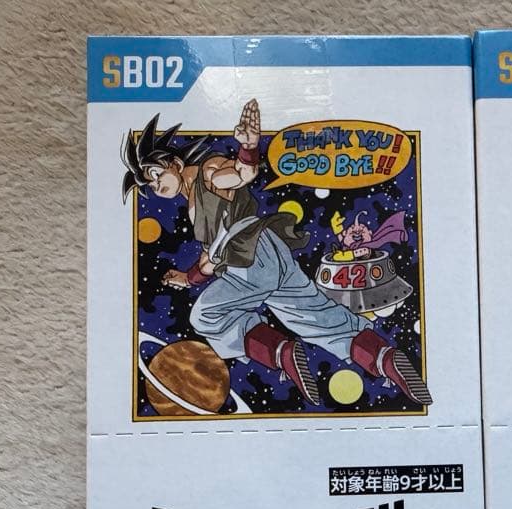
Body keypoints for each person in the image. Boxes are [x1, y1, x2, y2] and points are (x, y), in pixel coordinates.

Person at [121, 100, 431, 406]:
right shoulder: (194, 199)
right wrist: (188, 278)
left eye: (155, 173)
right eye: (149, 184)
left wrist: (248, 147)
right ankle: (384, 358)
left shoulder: (207, 173)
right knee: (319, 318)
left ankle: (280, 352)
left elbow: (241, 174)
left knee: (205, 315)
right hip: (270, 252)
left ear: (174, 163)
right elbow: (211, 260)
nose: (155, 185)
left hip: (249, 259)